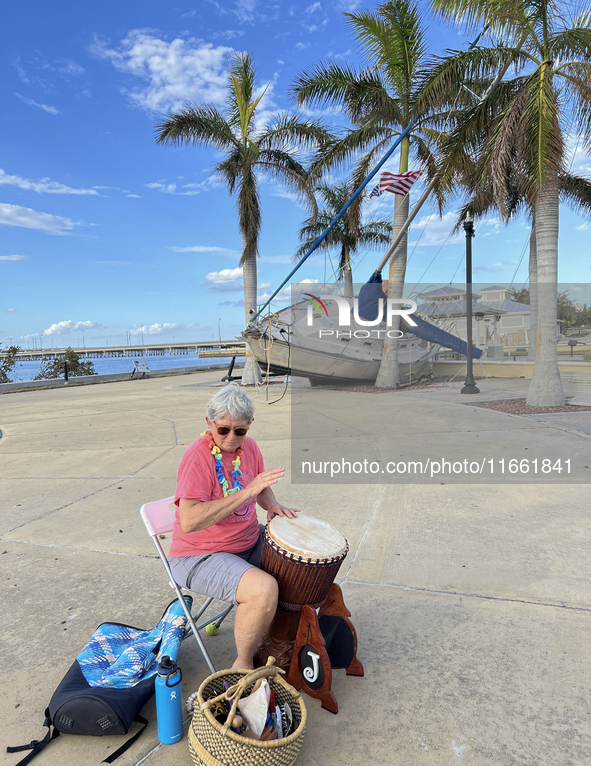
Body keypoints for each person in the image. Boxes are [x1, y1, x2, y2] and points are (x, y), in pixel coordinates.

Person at [168, 383, 299, 669]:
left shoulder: (249, 447)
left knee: (299, 562)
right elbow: (189, 521)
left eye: (239, 431)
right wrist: (247, 491)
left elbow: (260, 486)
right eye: (223, 429)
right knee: (263, 589)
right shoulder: (197, 456)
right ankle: (243, 666)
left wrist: (272, 504)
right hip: (198, 555)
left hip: (248, 542)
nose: (230, 438)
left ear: (249, 426)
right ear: (209, 423)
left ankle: (277, 638)